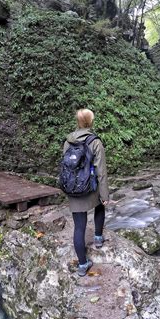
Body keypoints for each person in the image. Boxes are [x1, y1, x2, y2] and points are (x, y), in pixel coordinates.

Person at [62, 108, 109, 277]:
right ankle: (98, 238)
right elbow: (101, 171)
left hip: (74, 188)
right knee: (100, 206)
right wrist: (105, 195)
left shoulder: (68, 141)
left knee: (79, 227)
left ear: (78, 122)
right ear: (91, 122)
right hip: (90, 187)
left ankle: (82, 265)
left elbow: (67, 167)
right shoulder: (95, 141)